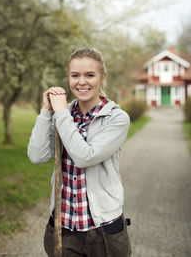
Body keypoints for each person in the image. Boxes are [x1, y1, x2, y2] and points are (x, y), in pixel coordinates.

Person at [27, 48, 132, 257]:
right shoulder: (61, 114)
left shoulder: (116, 118)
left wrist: (61, 113)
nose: (81, 82)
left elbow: (85, 156)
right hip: (63, 228)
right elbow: (37, 156)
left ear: (102, 77)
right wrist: (47, 111)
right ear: (68, 77)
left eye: (90, 75)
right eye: (75, 75)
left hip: (103, 230)